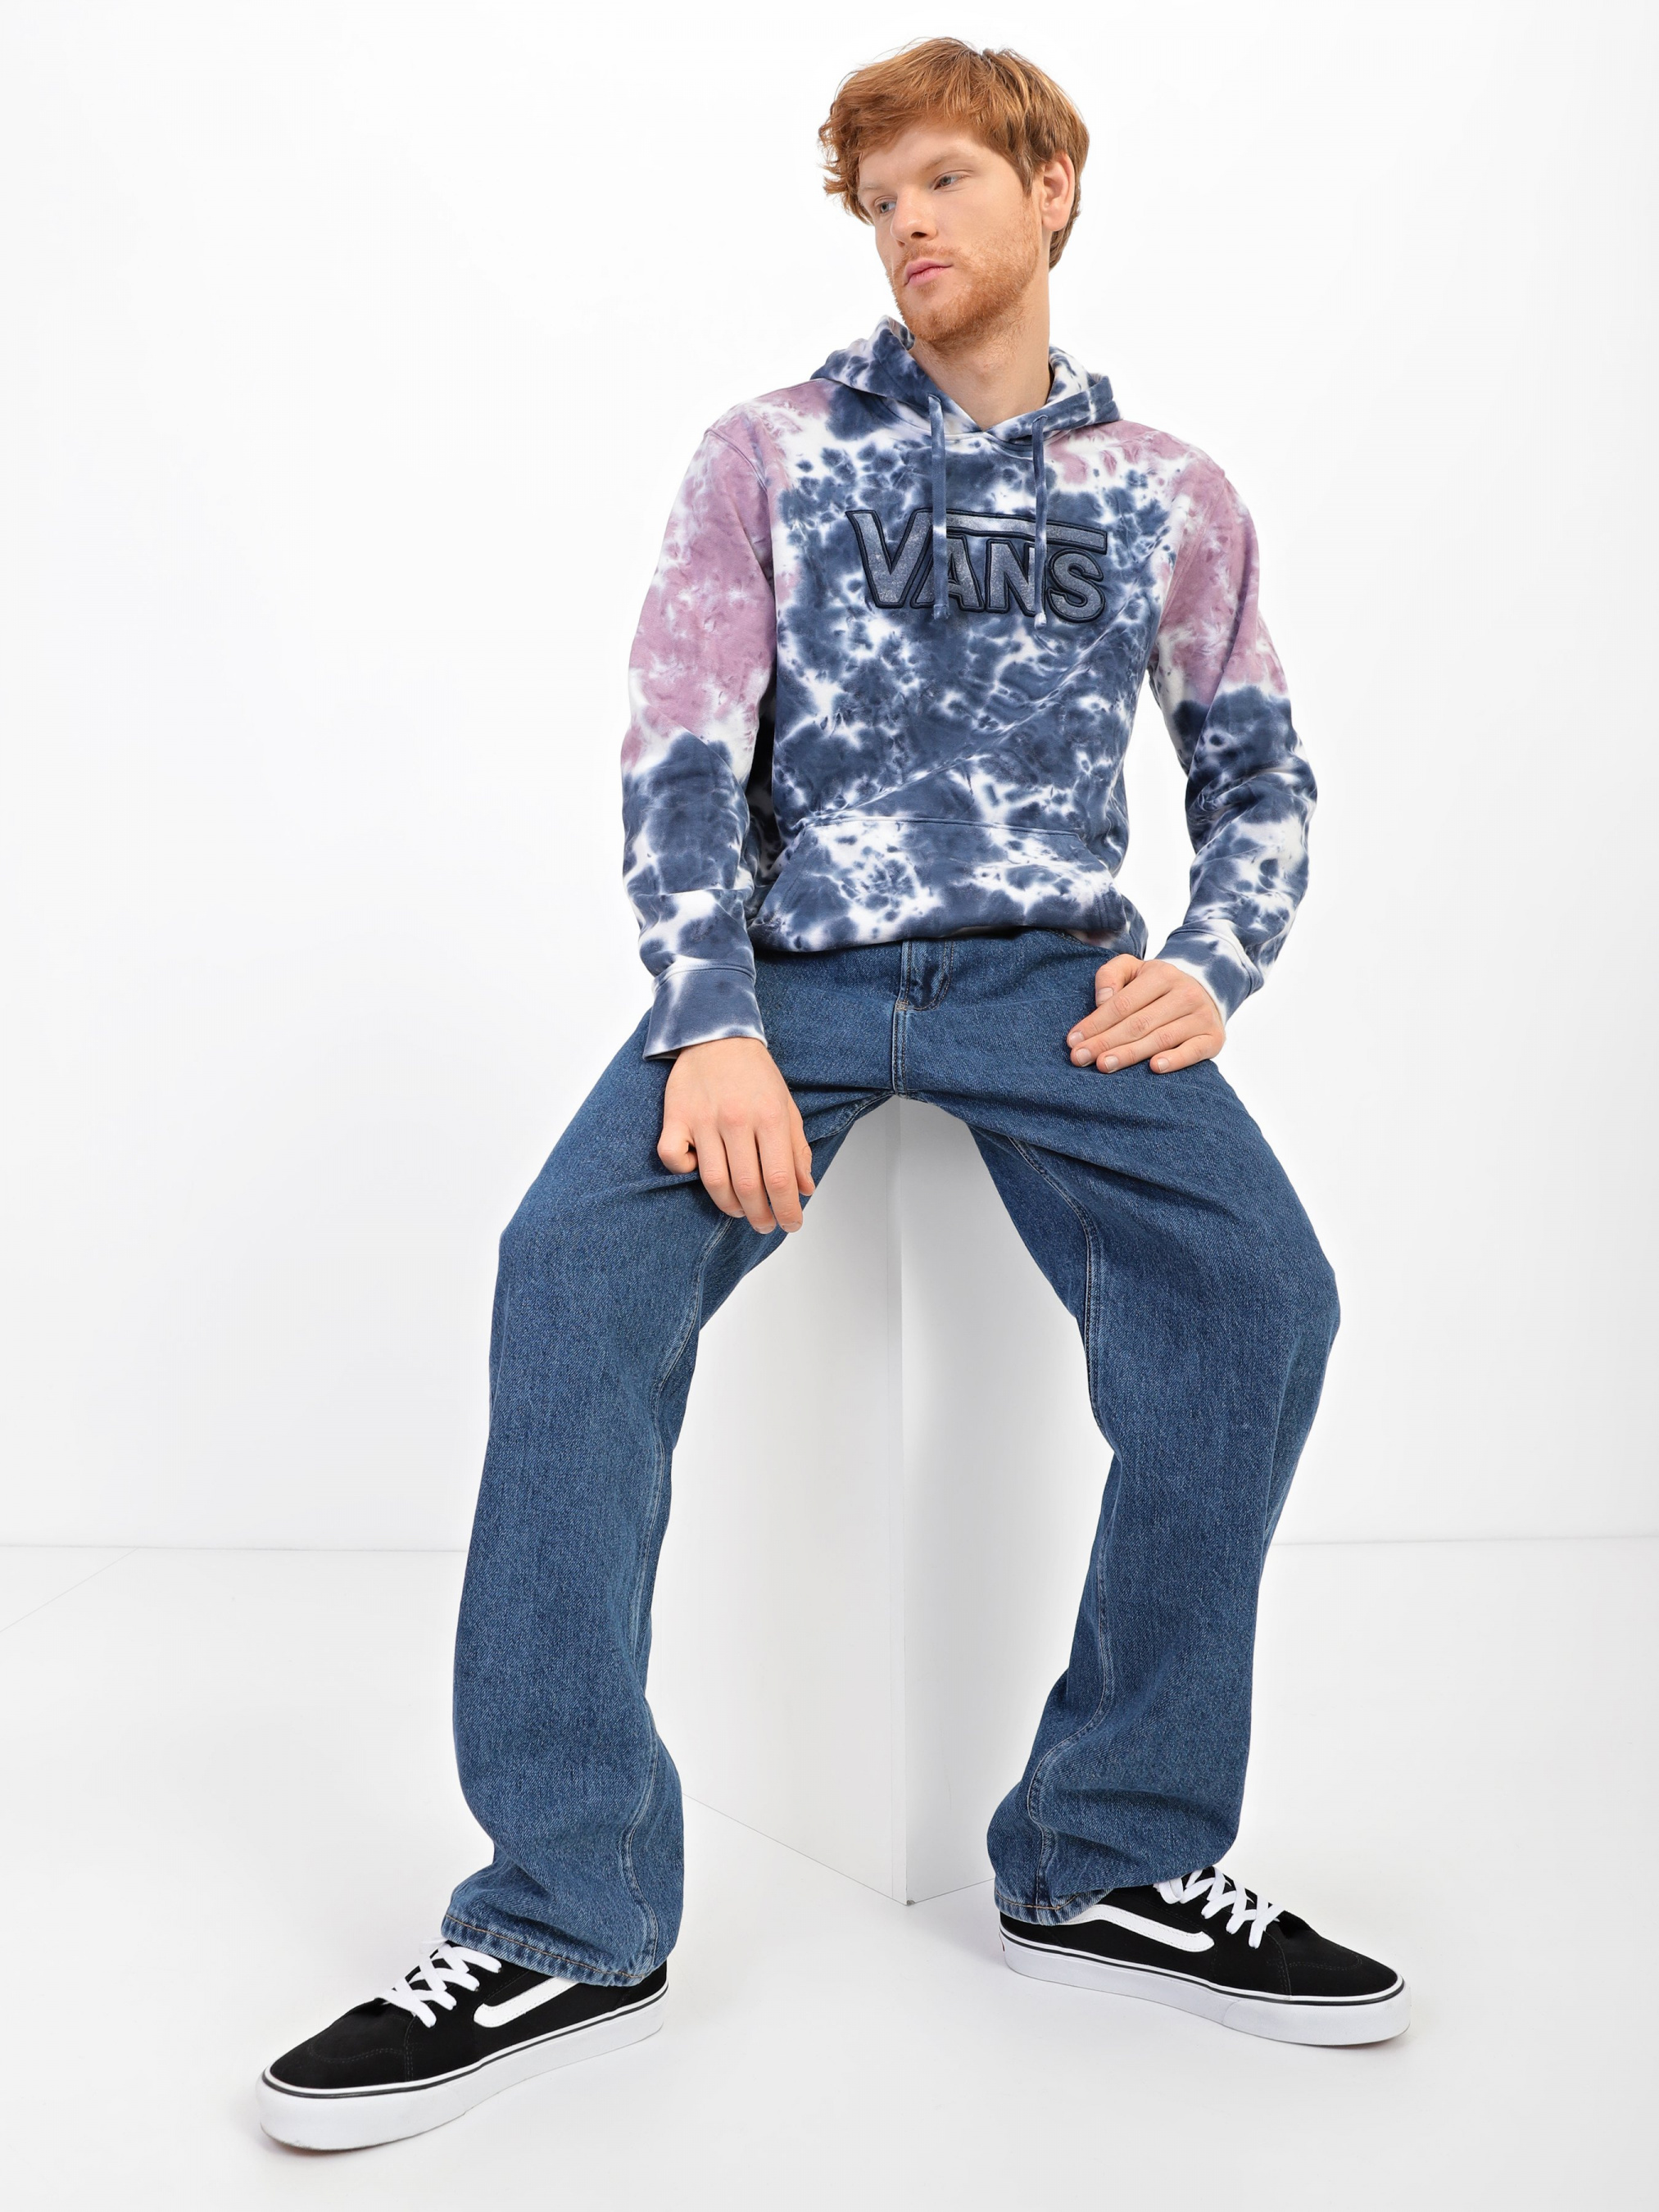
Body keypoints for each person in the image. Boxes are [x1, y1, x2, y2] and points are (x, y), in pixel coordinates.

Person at [258, 38, 1409, 2152]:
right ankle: (567, 1910)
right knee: (564, 1277)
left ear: (1055, 185)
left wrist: (1211, 963)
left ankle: (1111, 1849)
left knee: (1263, 1297)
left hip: (1054, 989)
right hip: (783, 981)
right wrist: (705, 1016)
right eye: (879, 198)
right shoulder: (771, 452)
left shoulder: (1167, 491)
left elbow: (1259, 769)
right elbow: (680, 750)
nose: (909, 225)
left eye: (949, 178)